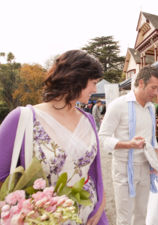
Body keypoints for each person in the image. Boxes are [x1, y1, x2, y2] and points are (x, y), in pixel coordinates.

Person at [0, 50, 108, 225]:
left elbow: (94, 170)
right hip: (44, 219)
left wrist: (101, 202)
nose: (95, 89)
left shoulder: (88, 119)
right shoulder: (22, 118)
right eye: (93, 83)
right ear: (76, 78)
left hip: (89, 216)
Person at [98, 66, 158, 225]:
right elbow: (103, 138)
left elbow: (152, 137)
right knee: (125, 218)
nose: (156, 93)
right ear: (141, 83)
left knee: (141, 215)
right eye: (153, 88)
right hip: (123, 168)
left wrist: (156, 159)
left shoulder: (151, 109)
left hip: (145, 168)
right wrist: (128, 144)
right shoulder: (118, 105)